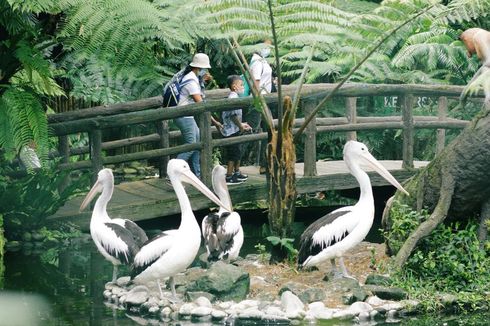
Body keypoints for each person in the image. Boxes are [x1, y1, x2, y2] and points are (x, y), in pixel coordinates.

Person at [174, 53, 223, 178]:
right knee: (191, 146)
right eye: (204, 69)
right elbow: (201, 104)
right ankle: (173, 173)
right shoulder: (191, 80)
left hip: (187, 116)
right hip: (183, 116)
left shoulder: (192, 77)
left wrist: (201, 80)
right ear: (199, 68)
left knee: (197, 144)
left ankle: (197, 174)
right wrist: (215, 122)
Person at [244, 39, 274, 174]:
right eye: (266, 45)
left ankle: (265, 165)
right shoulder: (256, 62)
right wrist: (258, 103)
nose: (269, 48)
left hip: (264, 100)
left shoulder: (262, 61)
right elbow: (255, 83)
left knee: (268, 131)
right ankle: (234, 165)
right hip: (258, 101)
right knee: (250, 130)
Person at [221, 75, 252, 184]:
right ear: (234, 87)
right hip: (230, 131)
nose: (243, 87)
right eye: (241, 85)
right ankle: (229, 176)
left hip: (234, 129)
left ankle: (236, 172)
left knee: (237, 152)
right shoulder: (232, 99)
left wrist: (242, 124)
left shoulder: (235, 97)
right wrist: (240, 126)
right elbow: (233, 116)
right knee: (232, 154)